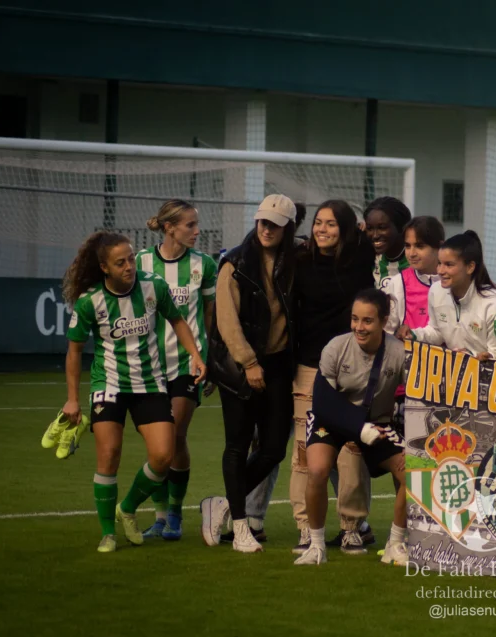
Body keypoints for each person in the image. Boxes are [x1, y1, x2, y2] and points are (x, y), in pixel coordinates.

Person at [61, 231, 206, 553]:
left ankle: (126, 508)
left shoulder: (154, 286)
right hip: (109, 384)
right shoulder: (89, 301)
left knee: (163, 456)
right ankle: (107, 534)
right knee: (109, 455)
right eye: (120, 262)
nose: (129, 266)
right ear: (104, 267)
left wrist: (195, 355)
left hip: (150, 383)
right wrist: (72, 399)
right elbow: (74, 351)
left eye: (130, 259)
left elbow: (178, 321)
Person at [202, 194, 302, 553]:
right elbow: (226, 320)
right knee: (238, 444)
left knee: (274, 449)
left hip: (279, 365)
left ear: (288, 228)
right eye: (262, 222)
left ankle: (223, 504)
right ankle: (242, 528)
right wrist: (248, 363)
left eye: (275, 224)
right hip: (239, 365)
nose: (266, 229)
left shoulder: (296, 259)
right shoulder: (235, 262)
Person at [295, 288, 408, 566]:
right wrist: (360, 429)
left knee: (414, 474)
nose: (359, 327)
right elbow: (322, 402)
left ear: (384, 321)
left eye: (367, 320)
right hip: (331, 420)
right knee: (317, 470)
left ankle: (396, 544)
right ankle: (316, 546)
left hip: (377, 424)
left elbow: (419, 395)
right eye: (355, 319)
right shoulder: (336, 347)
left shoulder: (399, 352)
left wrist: (411, 442)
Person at [291, 199, 377, 554]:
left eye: (330, 224)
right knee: (304, 452)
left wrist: (361, 229)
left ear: (345, 229)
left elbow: (375, 236)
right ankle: (305, 526)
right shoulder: (299, 260)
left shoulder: (360, 258)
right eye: (318, 222)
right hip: (309, 367)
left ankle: (352, 527)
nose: (321, 229)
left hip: (354, 367)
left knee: (353, 449)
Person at [135, 200, 217, 541]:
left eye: (196, 224)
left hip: (187, 364)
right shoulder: (140, 262)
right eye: (190, 225)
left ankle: (175, 513)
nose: (197, 231)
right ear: (169, 228)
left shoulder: (204, 265)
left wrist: (209, 360)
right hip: (150, 367)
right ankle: (159, 517)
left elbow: (209, 316)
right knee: (159, 446)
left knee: (175, 437)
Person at [398, 230, 496, 357]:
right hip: (452, 368)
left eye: (449, 265)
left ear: (470, 267)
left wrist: (471, 357)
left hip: (483, 369)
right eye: (439, 263)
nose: (440, 271)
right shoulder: (436, 291)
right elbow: (437, 333)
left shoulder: (494, 303)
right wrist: (414, 334)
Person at [382, 216, 444, 333]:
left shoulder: (453, 282)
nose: (412, 253)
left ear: (440, 246)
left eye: (419, 246)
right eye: (407, 246)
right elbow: (387, 331)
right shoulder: (398, 283)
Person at [364, 196, 411, 287]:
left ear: (401, 226)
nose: (375, 235)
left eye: (382, 228)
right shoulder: (369, 257)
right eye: (370, 228)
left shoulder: (416, 260)